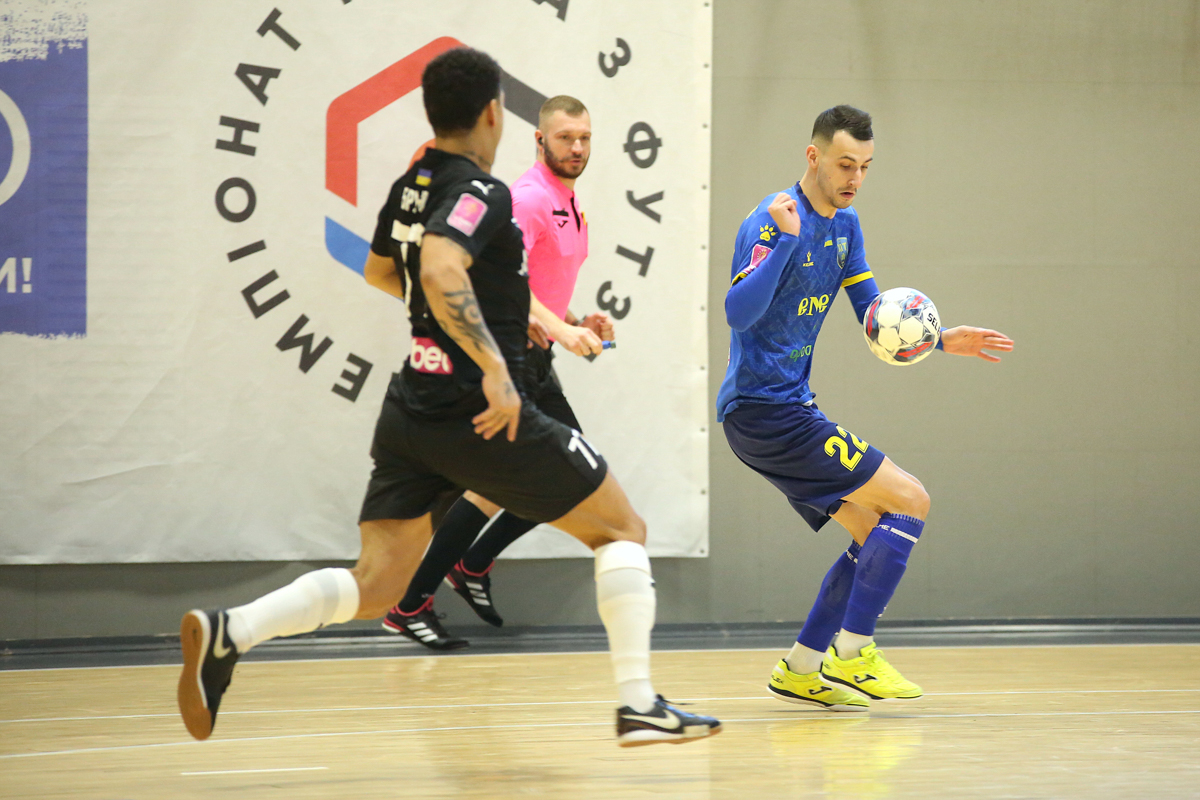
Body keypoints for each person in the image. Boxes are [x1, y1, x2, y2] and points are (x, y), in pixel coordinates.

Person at [177, 47, 720, 747]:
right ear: (495, 113)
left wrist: (490, 317)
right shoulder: (484, 191)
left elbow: (383, 271)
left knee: (377, 586)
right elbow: (438, 267)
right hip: (479, 411)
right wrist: (493, 364)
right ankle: (639, 703)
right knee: (622, 529)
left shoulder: (414, 183)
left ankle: (233, 630)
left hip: (413, 409)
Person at [717, 105, 1013, 711]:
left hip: (781, 411)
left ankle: (801, 667)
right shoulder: (773, 220)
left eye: (866, 167)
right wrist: (786, 243)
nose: (855, 178)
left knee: (873, 529)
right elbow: (737, 314)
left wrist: (939, 338)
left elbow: (873, 316)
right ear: (814, 156)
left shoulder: (846, 226)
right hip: (764, 412)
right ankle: (853, 652)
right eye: (845, 164)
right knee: (911, 499)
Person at [381, 94, 616, 649]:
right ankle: (418, 598)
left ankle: (460, 572)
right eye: (565, 138)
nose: (576, 148)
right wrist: (560, 332)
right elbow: (500, 279)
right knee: (540, 479)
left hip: (535, 358)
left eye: (584, 138)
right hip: (508, 359)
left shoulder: (568, 201)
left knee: (534, 479)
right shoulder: (528, 199)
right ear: (540, 140)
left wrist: (576, 321)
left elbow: (537, 287)